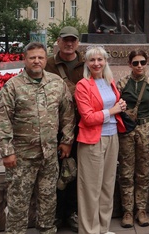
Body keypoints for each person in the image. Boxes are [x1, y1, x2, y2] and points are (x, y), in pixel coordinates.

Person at [0, 43, 75, 234]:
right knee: (18, 204)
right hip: (21, 158)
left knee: (48, 201)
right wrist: (7, 152)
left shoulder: (56, 83)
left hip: (49, 156)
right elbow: (2, 119)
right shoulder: (12, 86)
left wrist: (66, 141)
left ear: (45, 60)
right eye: (32, 57)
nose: (36, 61)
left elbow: (68, 113)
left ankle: (47, 230)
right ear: (25, 60)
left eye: (40, 57)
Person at [75, 46, 127, 234]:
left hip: (112, 136)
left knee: (107, 185)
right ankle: (90, 231)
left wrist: (120, 105)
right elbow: (87, 118)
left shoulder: (109, 81)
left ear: (105, 61)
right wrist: (112, 111)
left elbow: (113, 105)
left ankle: (103, 229)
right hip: (92, 141)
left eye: (100, 59)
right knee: (90, 189)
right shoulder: (83, 85)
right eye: (92, 60)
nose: (96, 63)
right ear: (87, 63)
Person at [44, 27, 84, 232]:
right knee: (55, 173)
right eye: (65, 40)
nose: (69, 44)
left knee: (75, 172)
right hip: (55, 128)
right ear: (58, 42)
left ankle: (72, 212)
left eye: (73, 41)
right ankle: (57, 214)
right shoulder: (48, 64)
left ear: (77, 43)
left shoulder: (86, 63)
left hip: (83, 127)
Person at [118, 51, 149, 228]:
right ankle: (127, 211)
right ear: (129, 64)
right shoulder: (122, 84)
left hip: (146, 130)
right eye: (135, 63)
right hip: (127, 132)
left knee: (143, 173)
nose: (139, 66)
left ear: (147, 63)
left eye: (142, 62)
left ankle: (141, 210)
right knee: (126, 173)